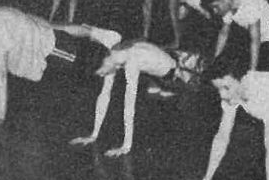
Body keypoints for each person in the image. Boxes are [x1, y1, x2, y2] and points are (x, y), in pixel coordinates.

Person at [0, 0, 116, 126]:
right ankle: (97, 36)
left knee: (96, 72)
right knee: (59, 28)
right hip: (36, 31)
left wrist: (0, 116)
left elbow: (1, 74)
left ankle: (118, 53)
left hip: (53, 50)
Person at [68, 37, 204, 158]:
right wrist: (94, 134)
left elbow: (129, 105)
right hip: (166, 63)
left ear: (105, 61)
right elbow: (104, 95)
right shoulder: (114, 53)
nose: (103, 75)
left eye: (101, 72)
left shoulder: (131, 62)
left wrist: (126, 146)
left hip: (179, 74)